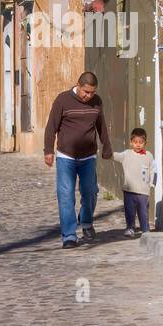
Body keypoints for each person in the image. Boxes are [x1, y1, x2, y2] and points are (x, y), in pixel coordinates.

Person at [43, 72, 112, 249]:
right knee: (66, 195)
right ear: (78, 85)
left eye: (92, 92)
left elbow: (101, 125)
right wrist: (48, 150)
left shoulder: (97, 102)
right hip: (66, 156)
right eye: (86, 92)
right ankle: (69, 235)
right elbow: (51, 125)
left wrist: (107, 146)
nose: (89, 96)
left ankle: (87, 222)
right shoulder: (62, 100)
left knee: (90, 192)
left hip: (88, 156)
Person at [110, 128, 155, 237]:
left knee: (143, 211)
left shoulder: (148, 155)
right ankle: (130, 227)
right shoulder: (127, 154)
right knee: (129, 211)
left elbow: (153, 169)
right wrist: (107, 153)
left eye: (141, 142)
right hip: (129, 190)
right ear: (131, 142)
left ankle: (145, 229)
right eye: (135, 142)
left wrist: (152, 183)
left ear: (145, 143)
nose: (138, 145)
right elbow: (116, 156)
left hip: (143, 191)